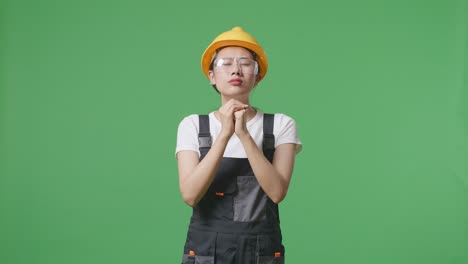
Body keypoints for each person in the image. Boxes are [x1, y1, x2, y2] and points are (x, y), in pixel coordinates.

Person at [175, 26, 302, 264]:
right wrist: (224, 134)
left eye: (245, 63)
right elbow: (190, 195)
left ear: (258, 75)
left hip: (261, 250)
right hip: (205, 251)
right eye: (226, 63)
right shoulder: (192, 125)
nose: (236, 69)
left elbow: (277, 192)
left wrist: (243, 133)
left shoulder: (281, 125)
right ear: (212, 75)